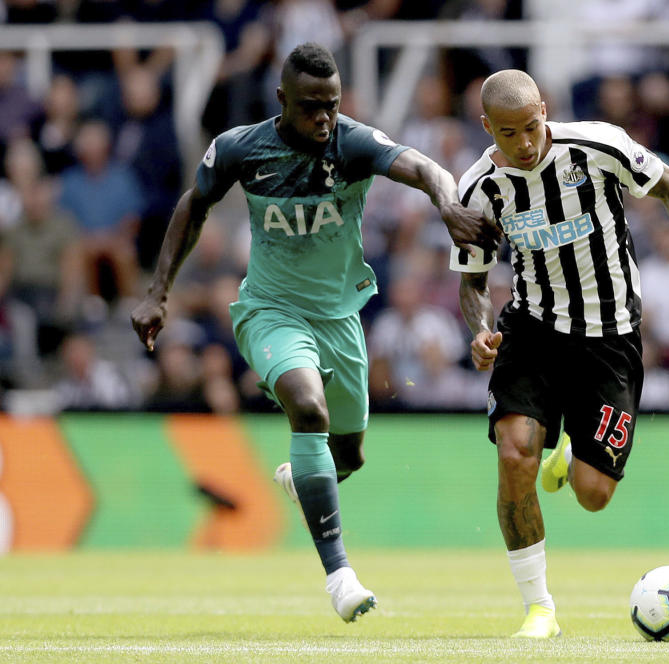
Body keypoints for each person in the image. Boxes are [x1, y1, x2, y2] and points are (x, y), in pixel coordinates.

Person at [131, 43, 499, 623]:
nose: (324, 118)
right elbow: (193, 205)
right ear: (282, 99)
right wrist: (158, 291)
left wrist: (449, 206)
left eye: (332, 104)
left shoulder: (351, 142)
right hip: (270, 312)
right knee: (308, 408)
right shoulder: (242, 149)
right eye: (311, 107)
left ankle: (301, 477)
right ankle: (340, 578)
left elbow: (427, 168)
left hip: (339, 320)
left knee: (345, 455)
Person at [453, 70, 669, 638]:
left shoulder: (599, 146)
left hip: (611, 336)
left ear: (546, 108)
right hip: (532, 330)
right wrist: (482, 328)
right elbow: (471, 280)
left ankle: (569, 452)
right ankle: (539, 608)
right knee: (515, 455)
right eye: (509, 133)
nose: (526, 143)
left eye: (533, 127)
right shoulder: (477, 190)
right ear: (488, 127)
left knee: (593, 494)